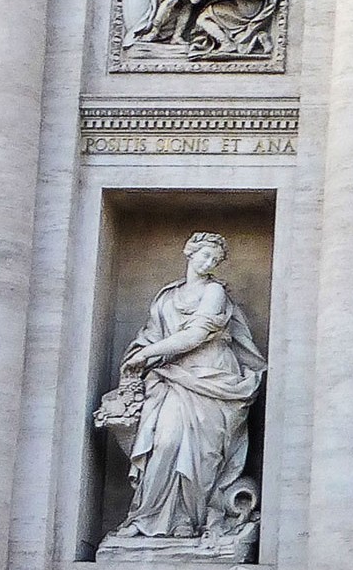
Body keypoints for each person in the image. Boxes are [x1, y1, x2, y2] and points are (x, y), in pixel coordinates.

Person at [114, 232, 266, 541]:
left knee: (202, 456)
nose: (209, 262)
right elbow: (152, 335)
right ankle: (146, 517)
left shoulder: (215, 293)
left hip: (213, 378)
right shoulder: (167, 297)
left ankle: (188, 521)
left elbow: (196, 335)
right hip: (173, 378)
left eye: (215, 259)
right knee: (165, 444)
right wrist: (141, 354)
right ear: (189, 252)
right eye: (204, 255)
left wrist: (146, 355)